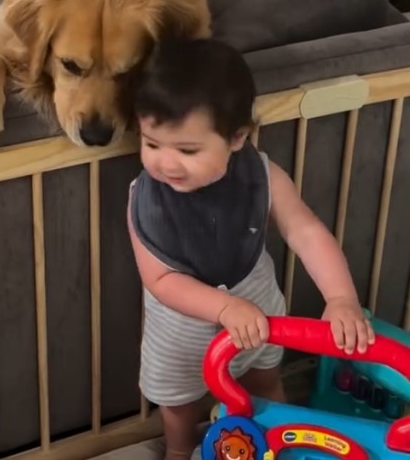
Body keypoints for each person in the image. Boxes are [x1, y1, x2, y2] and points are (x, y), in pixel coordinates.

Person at [125, 38, 374, 460]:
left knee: (265, 382)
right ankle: (180, 450)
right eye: (151, 144)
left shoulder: (262, 175)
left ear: (237, 137)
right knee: (179, 406)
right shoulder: (144, 199)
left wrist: (341, 298)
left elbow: (306, 233)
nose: (165, 163)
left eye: (187, 150)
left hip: (258, 308)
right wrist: (223, 308)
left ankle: (278, 437)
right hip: (181, 327)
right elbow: (161, 280)